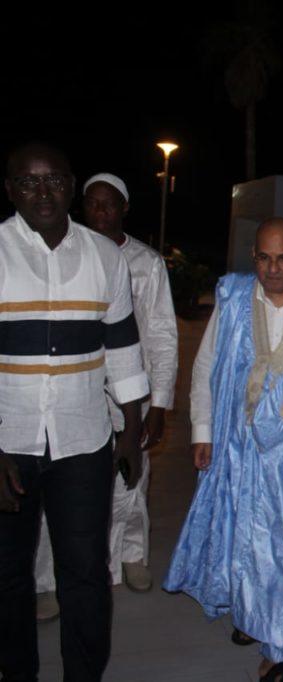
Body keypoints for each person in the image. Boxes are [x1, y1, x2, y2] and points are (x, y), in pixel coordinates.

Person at [164, 218, 283, 682]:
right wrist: (202, 429)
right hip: (240, 448)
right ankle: (250, 614)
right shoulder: (234, 299)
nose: (273, 268)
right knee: (243, 537)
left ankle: (276, 652)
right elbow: (206, 364)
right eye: (264, 258)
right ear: (254, 257)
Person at [0, 143, 148, 682]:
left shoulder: (105, 256)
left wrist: (131, 431)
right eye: (28, 182)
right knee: (8, 576)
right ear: (10, 189)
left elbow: (124, 349)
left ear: (71, 185)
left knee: (85, 574)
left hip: (84, 442)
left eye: (54, 180)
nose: (42, 192)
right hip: (8, 444)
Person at [34, 173, 178, 622]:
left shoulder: (146, 263)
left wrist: (159, 402)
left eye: (108, 204)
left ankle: (131, 555)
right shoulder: (63, 254)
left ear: (124, 208)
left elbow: (162, 334)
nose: (99, 211)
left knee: (130, 481)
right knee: (60, 486)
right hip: (74, 391)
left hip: (130, 392)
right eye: (92, 203)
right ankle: (49, 580)